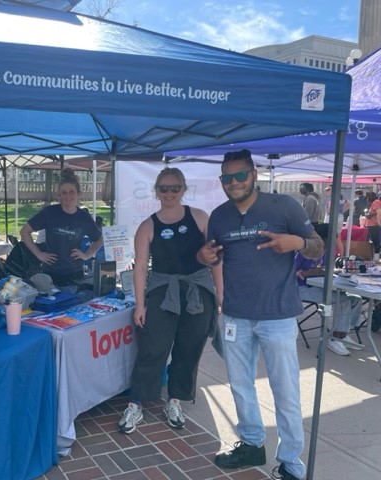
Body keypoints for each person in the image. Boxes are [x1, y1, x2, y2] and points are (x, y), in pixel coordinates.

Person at [198, 149, 323, 480]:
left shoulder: (284, 206)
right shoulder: (220, 216)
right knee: (240, 386)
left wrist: (294, 241)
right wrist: (204, 255)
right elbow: (214, 258)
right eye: (227, 177)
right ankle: (252, 444)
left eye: (240, 175)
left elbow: (317, 246)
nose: (234, 182)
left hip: (278, 315)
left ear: (254, 175)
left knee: (285, 391)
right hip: (236, 315)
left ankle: (291, 464)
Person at [117, 167, 221, 435]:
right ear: (156, 191)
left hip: (197, 291)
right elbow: (140, 268)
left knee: (189, 349)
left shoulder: (199, 218)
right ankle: (136, 402)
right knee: (153, 348)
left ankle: (174, 400)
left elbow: (216, 260)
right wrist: (140, 304)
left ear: (184, 190)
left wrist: (221, 295)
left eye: (175, 188)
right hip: (163, 292)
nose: (169, 193)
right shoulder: (148, 226)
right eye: (164, 188)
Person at [20, 168, 103, 286]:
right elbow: (24, 232)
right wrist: (39, 254)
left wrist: (86, 255)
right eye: (64, 192)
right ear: (58, 195)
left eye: (72, 191)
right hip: (51, 273)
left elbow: (99, 239)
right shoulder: (49, 213)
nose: (68, 196)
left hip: (76, 273)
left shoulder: (84, 217)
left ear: (78, 193)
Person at [296, 223, 364, 356]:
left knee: (356, 299)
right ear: (321, 239)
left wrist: (333, 271)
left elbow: (326, 269)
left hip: (318, 285)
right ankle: (335, 337)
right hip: (300, 288)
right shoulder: (304, 251)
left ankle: (342, 333)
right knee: (343, 300)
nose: (334, 242)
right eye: (331, 239)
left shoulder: (326, 252)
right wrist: (308, 273)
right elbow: (289, 273)